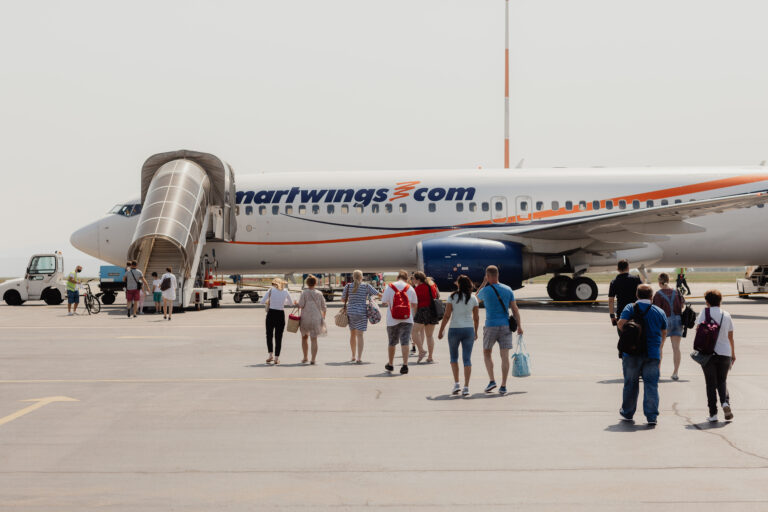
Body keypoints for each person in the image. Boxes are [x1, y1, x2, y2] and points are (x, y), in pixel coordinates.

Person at [617, 284, 667, 426]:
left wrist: (631, 333)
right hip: (652, 353)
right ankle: (651, 416)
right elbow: (664, 331)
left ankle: (627, 412)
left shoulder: (630, 308)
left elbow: (621, 323)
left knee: (630, 383)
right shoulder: (659, 311)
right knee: (651, 384)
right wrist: (660, 345)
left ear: (637, 295)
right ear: (652, 296)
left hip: (632, 352)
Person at [476, 265, 523, 395]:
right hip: (505, 326)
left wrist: (483, 283)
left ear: (488, 276)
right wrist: (519, 326)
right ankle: (503, 385)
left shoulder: (486, 290)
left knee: (487, 353)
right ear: (498, 275)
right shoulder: (508, 289)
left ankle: (492, 380)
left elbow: (474, 300)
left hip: (491, 325)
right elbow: (515, 309)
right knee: (504, 356)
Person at [697, 290, 735, 422]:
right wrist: (733, 354)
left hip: (708, 353)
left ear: (707, 301)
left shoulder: (704, 312)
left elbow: (698, 330)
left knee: (710, 384)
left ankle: (713, 414)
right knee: (722, 380)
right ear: (720, 300)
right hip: (725, 352)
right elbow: (730, 337)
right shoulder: (727, 314)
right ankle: (725, 403)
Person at [437, 275, 479, 396]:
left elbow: (446, 315)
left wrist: (441, 330)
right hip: (468, 329)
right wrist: (475, 332)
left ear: (459, 284)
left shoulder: (452, 297)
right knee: (467, 359)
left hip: (454, 329)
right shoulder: (473, 298)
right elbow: (476, 318)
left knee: (453, 358)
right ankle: (466, 387)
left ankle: (456, 384)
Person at [381, 270, 418, 374]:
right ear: (407, 279)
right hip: (407, 319)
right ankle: (405, 365)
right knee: (405, 342)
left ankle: (391, 364)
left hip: (392, 319)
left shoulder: (390, 286)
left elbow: (384, 302)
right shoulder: (410, 288)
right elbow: (415, 304)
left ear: (397, 277)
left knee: (392, 342)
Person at [341, 270, 381, 363]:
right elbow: (378, 294)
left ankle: (353, 356)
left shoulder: (348, 286)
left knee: (352, 334)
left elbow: (343, 300)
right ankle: (359, 357)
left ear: (353, 277)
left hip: (351, 312)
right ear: (361, 277)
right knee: (360, 335)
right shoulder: (366, 286)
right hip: (362, 312)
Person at [653, 272, 685, 380]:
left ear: (659, 282)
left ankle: (658, 371)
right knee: (676, 348)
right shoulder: (677, 292)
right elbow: (682, 305)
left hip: (664, 321)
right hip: (678, 320)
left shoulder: (658, 294)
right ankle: (675, 373)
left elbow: (656, 310)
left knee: (660, 347)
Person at [260, 278, 295, 364]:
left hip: (271, 314)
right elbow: (291, 303)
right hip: (280, 314)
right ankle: (276, 358)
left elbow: (262, 301)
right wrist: (282, 301)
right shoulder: (286, 291)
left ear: (275, 284)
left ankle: (270, 355)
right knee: (278, 337)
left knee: (269, 335)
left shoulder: (271, 290)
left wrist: (270, 301)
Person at [297, 275, 327, 365]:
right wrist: (323, 316)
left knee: (304, 337)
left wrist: (296, 303)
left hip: (305, 318)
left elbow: (301, 305)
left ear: (307, 283)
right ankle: (313, 359)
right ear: (315, 283)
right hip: (316, 318)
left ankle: (305, 357)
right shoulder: (319, 293)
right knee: (314, 339)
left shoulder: (304, 293)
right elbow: (324, 307)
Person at [412, 271, 439, 363]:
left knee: (414, 332)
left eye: (414, 279)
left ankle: (421, 350)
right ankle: (430, 357)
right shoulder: (432, 286)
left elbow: (415, 304)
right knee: (429, 336)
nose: (413, 280)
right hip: (432, 311)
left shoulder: (417, 289)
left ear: (418, 280)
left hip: (422, 311)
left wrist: (415, 314)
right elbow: (436, 296)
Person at [609, 260, 643, 331]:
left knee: (623, 338)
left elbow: (611, 300)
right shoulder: (636, 279)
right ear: (628, 268)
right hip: (635, 312)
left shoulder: (614, 282)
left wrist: (612, 316)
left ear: (617, 269)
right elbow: (644, 295)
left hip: (621, 314)